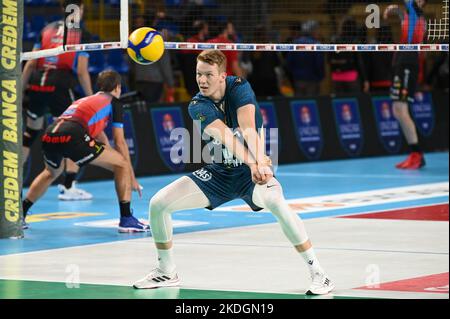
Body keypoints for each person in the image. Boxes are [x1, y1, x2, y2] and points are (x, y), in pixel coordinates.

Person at [133, 50, 334, 295]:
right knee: (158, 203)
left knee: (277, 202)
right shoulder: (197, 104)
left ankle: (319, 275)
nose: (202, 80)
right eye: (198, 74)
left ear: (222, 76)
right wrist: (255, 164)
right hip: (218, 173)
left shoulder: (239, 87)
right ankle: (166, 271)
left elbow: (248, 127)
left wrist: (260, 162)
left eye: (208, 75)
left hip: (250, 175)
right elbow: (227, 137)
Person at [22, 70, 149, 233]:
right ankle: (126, 219)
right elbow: (120, 142)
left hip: (50, 133)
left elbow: (103, 142)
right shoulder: (114, 102)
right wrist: (131, 176)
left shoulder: (86, 100)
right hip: (73, 133)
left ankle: (21, 214)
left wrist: (118, 163)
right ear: (118, 87)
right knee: (122, 165)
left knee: (50, 173)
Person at [21, 0, 94, 202]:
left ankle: (12, 187)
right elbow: (81, 70)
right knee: (72, 133)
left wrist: (18, 92)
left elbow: (30, 64)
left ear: (63, 9)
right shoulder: (81, 33)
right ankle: (68, 186)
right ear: (82, 9)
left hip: (37, 84)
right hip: (60, 85)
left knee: (29, 134)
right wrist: (90, 97)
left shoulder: (47, 28)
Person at [383, 0, 427, 169]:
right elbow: (405, 19)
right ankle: (415, 153)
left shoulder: (418, 13)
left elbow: (410, 8)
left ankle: (417, 154)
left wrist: (398, 10)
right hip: (400, 63)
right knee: (397, 110)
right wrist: (395, 10)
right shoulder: (411, 16)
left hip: (408, 63)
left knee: (401, 109)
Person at [285, 20, 325, 97]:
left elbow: (289, 62)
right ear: (312, 31)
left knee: (299, 104)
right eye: (317, 30)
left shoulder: (295, 43)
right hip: (312, 80)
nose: (318, 32)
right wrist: (320, 76)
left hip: (298, 79)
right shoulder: (316, 44)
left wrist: (293, 75)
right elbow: (319, 63)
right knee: (312, 104)